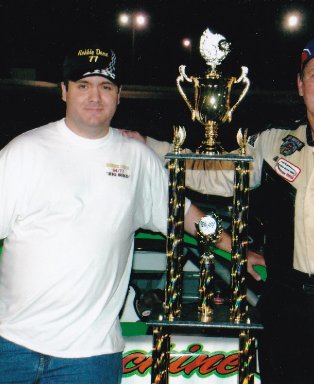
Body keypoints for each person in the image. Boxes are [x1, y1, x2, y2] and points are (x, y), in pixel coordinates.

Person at [127, 33, 314, 383]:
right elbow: (211, 176)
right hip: (284, 309)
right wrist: (150, 148)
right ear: (299, 84)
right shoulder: (273, 143)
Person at [0, 43, 240, 383]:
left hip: (91, 357)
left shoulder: (137, 158)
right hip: (10, 345)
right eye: (83, 86)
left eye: (106, 86)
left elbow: (186, 215)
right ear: (64, 91)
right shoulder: (23, 151)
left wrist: (239, 252)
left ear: (118, 94)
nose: (94, 97)